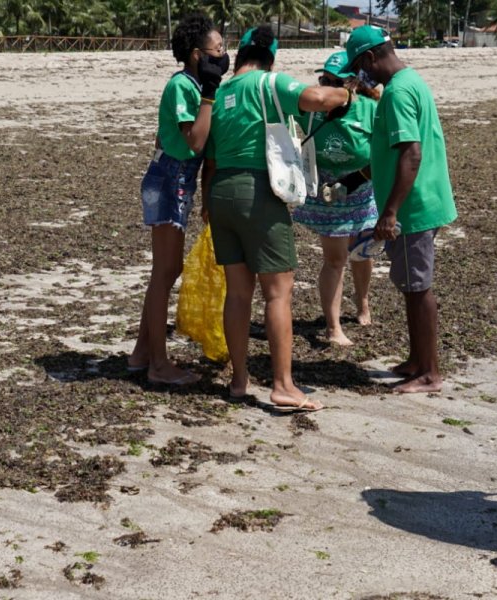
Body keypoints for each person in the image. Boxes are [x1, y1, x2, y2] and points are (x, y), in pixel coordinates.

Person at [202, 26, 351, 412]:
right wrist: (347, 93)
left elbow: (211, 156)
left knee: (237, 292)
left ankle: (239, 379)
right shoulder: (268, 83)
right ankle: (283, 385)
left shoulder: (221, 93)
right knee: (278, 291)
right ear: (271, 54)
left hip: (222, 192)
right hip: (258, 192)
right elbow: (317, 98)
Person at [345, 25, 457, 394]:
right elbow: (395, 152)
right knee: (412, 284)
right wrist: (357, 179)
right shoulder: (410, 82)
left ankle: (429, 373)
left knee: (417, 289)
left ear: (370, 58)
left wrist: (390, 212)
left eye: (360, 66)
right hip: (422, 200)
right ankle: (417, 360)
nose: (361, 75)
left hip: (414, 207)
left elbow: (412, 153)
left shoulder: (397, 93)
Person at [128, 13, 226, 385]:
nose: (222, 55)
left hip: (177, 180)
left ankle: (141, 353)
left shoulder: (194, 86)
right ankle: (158, 364)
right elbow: (196, 141)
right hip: (169, 180)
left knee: (166, 271)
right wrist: (210, 94)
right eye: (216, 50)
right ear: (196, 54)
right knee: (165, 272)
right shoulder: (185, 87)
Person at [291, 51, 380, 347]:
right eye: (323, 79)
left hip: (362, 185)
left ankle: (363, 302)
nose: (325, 85)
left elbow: (385, 152)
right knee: (335, 259)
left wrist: (360, 178)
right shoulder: (311, 108)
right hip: (327, 190)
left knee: (363, 252)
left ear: (351, 83)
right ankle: (333, 327)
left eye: (333, 80)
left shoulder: (370, 108)